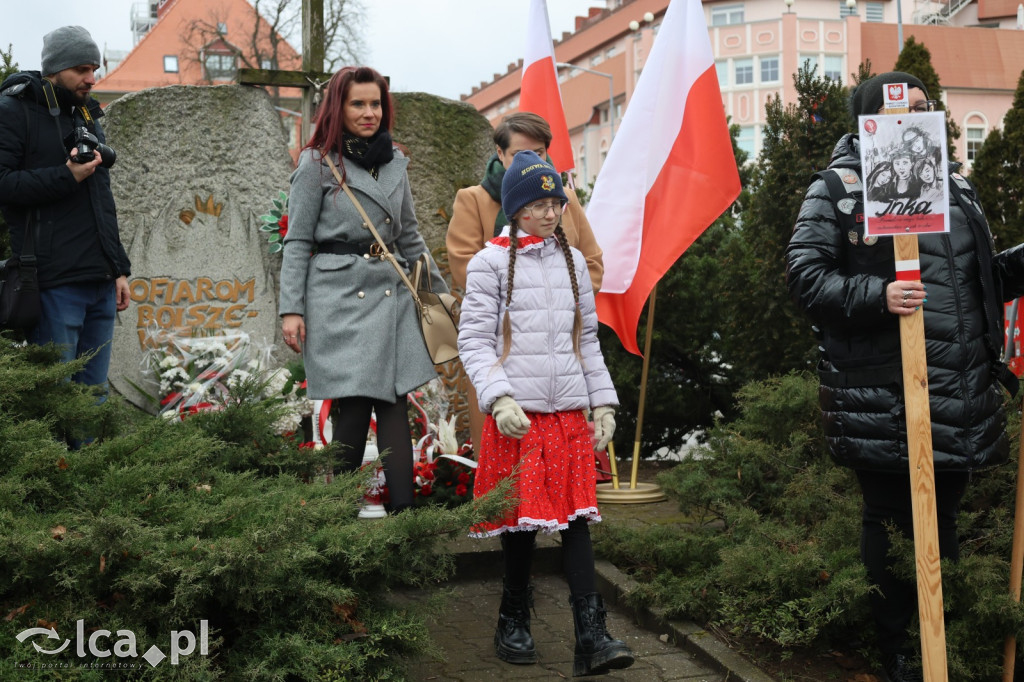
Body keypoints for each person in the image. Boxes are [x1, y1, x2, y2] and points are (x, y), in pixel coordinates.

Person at [786, 71, 1024, 682]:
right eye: (900, 110)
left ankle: (935, 643)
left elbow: (979, 279)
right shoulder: (841, 188)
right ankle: (896, 652)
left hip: (957, 389)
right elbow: (806, 275)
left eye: (923, 108)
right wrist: (878, 293)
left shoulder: (955, 187)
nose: (915, 118)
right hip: (886, 393)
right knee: (891, 523)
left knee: (942, 521)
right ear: (869, 120)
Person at [458, 150, 634, 677]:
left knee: (578, 523)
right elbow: (473, 340)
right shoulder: (488, 263)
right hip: (519, 416)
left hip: (568, 417)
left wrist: (601, 402)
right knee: (520, 525)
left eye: (554, 200)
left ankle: (592, 636)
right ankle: (513, 619)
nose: (550, 211)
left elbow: (587, 342)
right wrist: (500, 397)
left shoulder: (574, 262)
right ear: (515, 209)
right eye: (537, 203)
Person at [278, 66, 448, 514]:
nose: (369, 112)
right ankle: (340, 524)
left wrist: (440, 299)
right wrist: (290, 308)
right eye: (358, 103)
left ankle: (405, 520)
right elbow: (297, 241)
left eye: (376, 103)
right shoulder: (315, 164)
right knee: (351, 409)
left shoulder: (395, 163)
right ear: (339, 106)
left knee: (394, 403)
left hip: (389, 293)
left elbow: (409, 238)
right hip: (339, 296)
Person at [447, 112, 604, 451]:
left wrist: (562, 297)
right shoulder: (474, 199)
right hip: (502, 348)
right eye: (520, 154)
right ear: (499, 153)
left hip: (559, 354)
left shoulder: (564, 201)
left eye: (541, 152)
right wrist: (526, 291)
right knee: (503, 463)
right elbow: (463, 265)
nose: (532, 160)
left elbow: (591, 263)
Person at [0, 26, 131, 392]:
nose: (92, 78)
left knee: (94, 397)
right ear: (54, 69)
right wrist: (66, 176)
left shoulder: (85, 113)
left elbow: (101, 199)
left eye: (95, 68)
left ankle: (90, 452)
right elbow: (4, 184)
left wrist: (117, 269)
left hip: (100, 283)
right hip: (52, 283)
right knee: (57, 398)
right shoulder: (13, 111)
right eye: (81, 70)